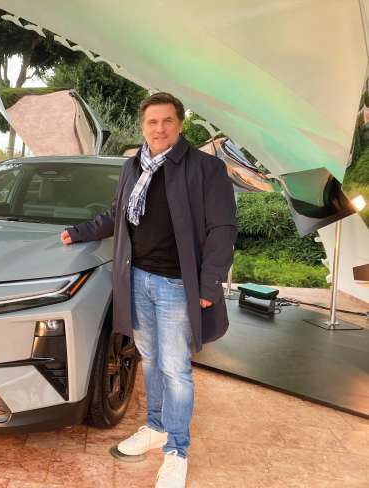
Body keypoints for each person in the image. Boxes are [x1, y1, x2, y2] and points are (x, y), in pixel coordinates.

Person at [60, 92, 237, 488]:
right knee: (151, 360)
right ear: (143, 127)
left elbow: (223, 228)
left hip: (177, 285)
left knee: (176, 369)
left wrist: (209, 282)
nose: (160, 128)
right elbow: (116, 214)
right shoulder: (132, 166)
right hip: (136, 279)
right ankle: (156, 428)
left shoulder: (205, 168)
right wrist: (78, 232)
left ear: (180, 124)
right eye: (152, 122)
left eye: (167, 121)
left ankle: (177, 450)